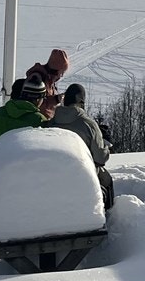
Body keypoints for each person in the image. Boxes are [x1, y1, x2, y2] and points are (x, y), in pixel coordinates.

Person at [48, 81, 116, 210]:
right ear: (81, 101)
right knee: (107, 180)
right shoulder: (88, 124)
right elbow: (100, 158)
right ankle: (108, 216)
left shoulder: (51, 123)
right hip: (84, 175)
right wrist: (107, 147)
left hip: (55, 174)